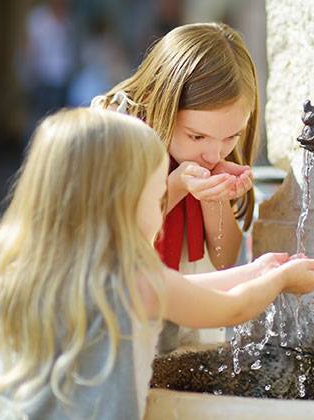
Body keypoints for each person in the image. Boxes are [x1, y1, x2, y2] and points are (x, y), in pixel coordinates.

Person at [0, 108, 314, 419]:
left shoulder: (32, 273)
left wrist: (256, 270)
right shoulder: (135, 280)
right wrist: (279, 282)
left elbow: (181, 291)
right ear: (123, 206)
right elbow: (230, 309)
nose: (160, 210)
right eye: (157, 198)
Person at [92, 22, 264, 351]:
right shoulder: (114, 130)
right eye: (196, 136)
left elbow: (224, 259)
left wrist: (215, 197)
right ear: (162, 100)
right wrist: (177, 185)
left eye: (231, 136)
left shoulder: (211, 151)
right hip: (128, 326)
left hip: (187, 324)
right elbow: (113, 233)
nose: (214, 152)